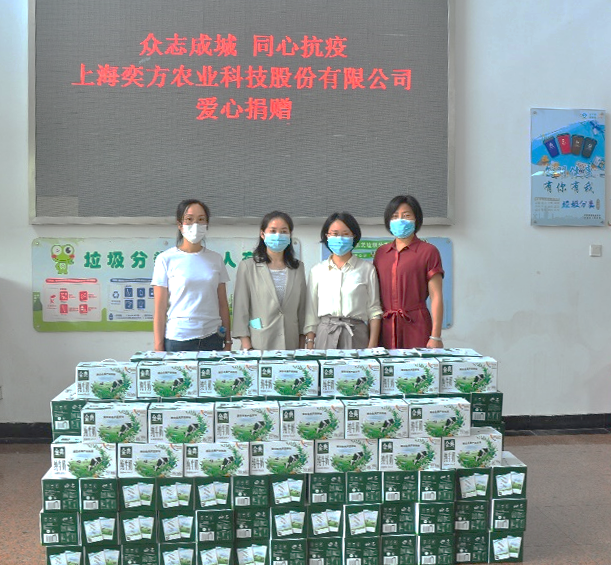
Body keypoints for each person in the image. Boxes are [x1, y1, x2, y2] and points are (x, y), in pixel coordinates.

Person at [151, 199, 232, 352]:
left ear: (207, 224)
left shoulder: (216, 259)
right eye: (189, 219)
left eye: (201, 219)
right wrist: (158, 347)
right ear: (179, 224)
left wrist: (228, 341)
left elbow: (223, 304)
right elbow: (160, 309)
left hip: (213, 338)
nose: (195, 225)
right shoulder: (165, 259)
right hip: (178, 339)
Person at [373, 195, 444, 349]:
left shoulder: (429, 251)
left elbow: (436, 296)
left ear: (416, 219)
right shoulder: (381, 253)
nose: (400, 220)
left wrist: (435, 336)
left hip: (417, 325)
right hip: (385, 327)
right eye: (395, 216)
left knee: (418, 364)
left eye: (406, 216)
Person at [304, 212, 382, 349]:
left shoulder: (367, 269)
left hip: (356, 334)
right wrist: (309, 344)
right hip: (325, 333)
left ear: (354, 237)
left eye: (345, 234)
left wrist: (372, 345)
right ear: (326, 236)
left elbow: (374, 310)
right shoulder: (317, 271)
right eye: (334, 234)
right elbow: (311, 312)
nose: (339, 238)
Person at [232, 211, 307, 350]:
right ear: (262, 234)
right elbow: (240, 309)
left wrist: (302, 344)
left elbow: (302, 309)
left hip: (291, 344)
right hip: (259, 345)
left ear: (290, 235)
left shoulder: (298, 267)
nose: (278, 235)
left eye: (283, 231)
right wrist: (247, 346)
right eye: (273, 231)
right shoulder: (248, 267)